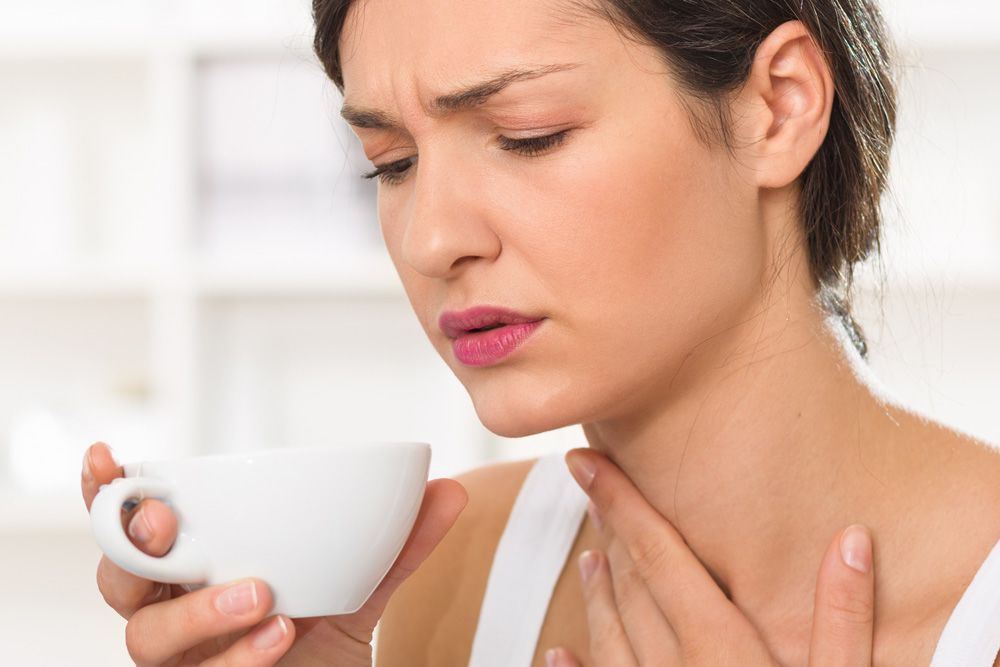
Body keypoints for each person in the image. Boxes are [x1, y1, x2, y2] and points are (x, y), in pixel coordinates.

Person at [81, 0, 1000, 664]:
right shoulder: (444, 580)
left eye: (528, 135)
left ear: (780, 104)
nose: (434, 238)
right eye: (390, 164)